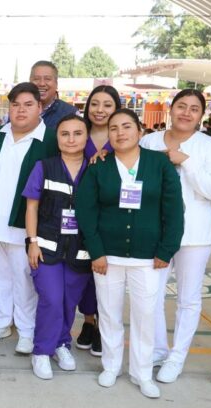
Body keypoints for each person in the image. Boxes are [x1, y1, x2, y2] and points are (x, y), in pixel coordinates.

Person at [76, 108, 183, 399]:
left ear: (140, 131)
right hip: (107, 257)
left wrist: (166, 250)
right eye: (113, 128)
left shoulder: (159, 164)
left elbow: (174, 211)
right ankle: (111, 366)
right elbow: (86, 211)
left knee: (145, 316)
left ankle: (142, 373)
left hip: (148, 257)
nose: (120, 133)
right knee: (109, 313)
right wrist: (96, 251)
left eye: (126, 126)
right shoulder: (99, 166)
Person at [140, 89, 211, 383]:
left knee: (188, 298)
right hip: (156, 232)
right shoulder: (149, 142)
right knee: (151, 294)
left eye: (194, 108)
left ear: (201, 115)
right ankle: (158, 350)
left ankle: (176, 357)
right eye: (181, 106)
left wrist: (185, 160)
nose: (186, 113)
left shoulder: (209, 145)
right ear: (170, 109)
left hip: (195, 235)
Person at [0, 82, 57, 353]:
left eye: (28, 105)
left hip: (25, 223)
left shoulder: (50, 140)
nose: (21, 110)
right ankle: (1, 321)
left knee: (24, 278)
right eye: (15, 105)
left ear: (40, 107)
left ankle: (26, 329)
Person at [23, 114, 92, 379]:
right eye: (65, 134)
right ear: (57, 138)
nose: (71, 139)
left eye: (77, 133)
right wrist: (32, 242)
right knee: (51, 299)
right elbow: (32, 207)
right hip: (46, 248)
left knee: (68, 301)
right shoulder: (44, 167)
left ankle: (62, 344)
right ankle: (41, 351)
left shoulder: (95, 169)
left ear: (87, 137)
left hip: (80, 250)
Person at [74, 85, 122, 356]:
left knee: (107, 270)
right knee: (84, 269)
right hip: (78, 212)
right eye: (94, 104)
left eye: (107, 105)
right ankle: (88, 321)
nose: (100, 110)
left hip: (111, 214)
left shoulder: (121, 137)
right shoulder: (77, 132)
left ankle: (105, 323)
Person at [29, 61, 79, 129]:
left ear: (56, 84)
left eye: (47, 79)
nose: (42, 84)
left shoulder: (70, 113)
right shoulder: (18, 111)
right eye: (36, 79)